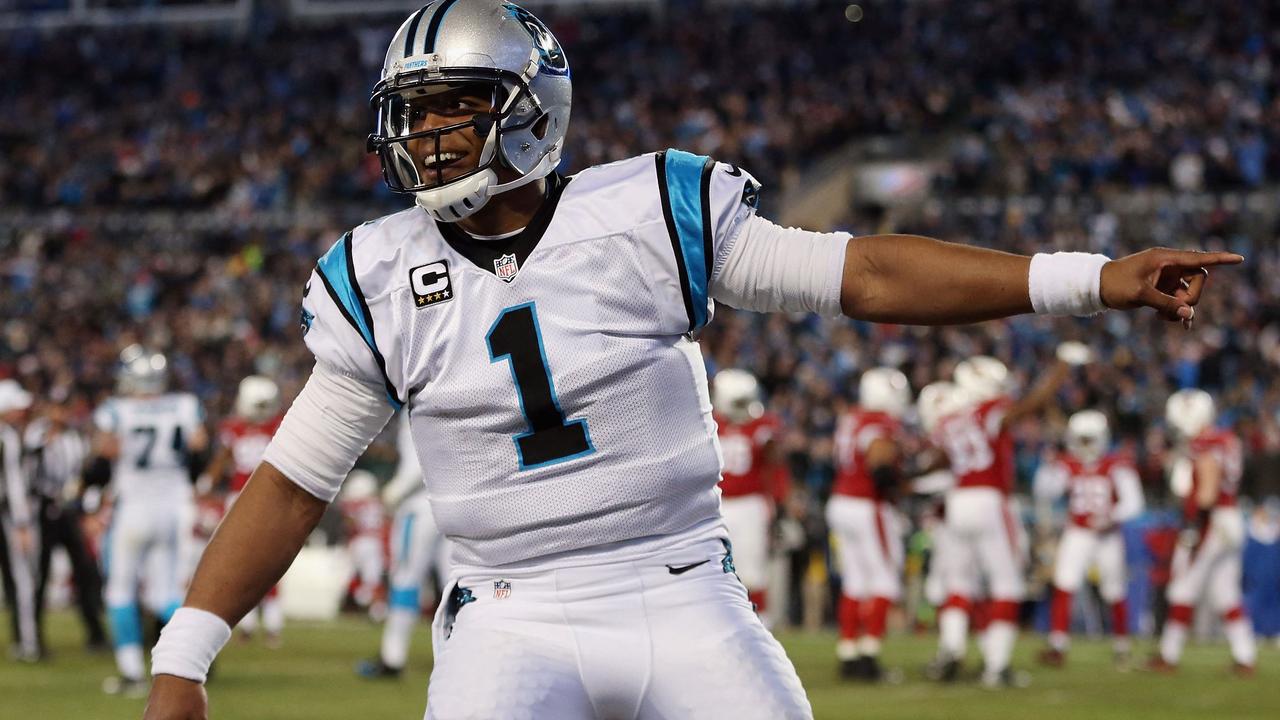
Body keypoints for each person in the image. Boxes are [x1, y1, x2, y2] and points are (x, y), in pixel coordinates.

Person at [143, 2, 1241, 718]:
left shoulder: (651, 211)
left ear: (530, 116)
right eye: (416, 116)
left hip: (680, 589)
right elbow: (294, 483)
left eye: (455, 111)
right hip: (505, 613)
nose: (427, 139)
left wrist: (1087, 277)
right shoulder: (375, 271)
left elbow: (862, 275)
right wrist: (185, 654)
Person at [927, 346, 1087, 688]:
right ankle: (996, 667)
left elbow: (939, 460)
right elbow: (1032, 404)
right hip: (989, 498)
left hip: (958, 500)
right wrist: (1061, 369)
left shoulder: (949, 419)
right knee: (1006, 582)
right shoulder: (990, 411)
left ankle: (952, 649)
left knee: (958, 582)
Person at [94, 346, 208, 696]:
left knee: (119, 589)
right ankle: (195, 657)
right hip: (174, 506)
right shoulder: (185, 405)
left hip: (135, 507)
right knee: (166, 592)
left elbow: (105, 450)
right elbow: (199, 443)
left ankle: (131, 674)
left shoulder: (116, 409)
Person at [1150, 389, 1256, 675]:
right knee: (1226, 593)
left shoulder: (1205, 442)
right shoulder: (1228, 439)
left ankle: (1168, 654)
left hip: (1212, 519)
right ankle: (1245, 656)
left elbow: (1208, 487)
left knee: (1184, 585)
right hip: (1232, 516)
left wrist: (1194, 523)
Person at [1033, 410, 1144, 668]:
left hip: (1107, 535)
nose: (1085, 446)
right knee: (1064, 581)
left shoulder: (1116, 465)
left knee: (1113, 589)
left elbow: (1134, 503)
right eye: (1081, 440)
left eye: (1088, 440)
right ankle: (1058, 644)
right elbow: (1045, 491)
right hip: (1078, 531)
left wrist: (1111, 516)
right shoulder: (1066, 465)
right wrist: (1048, 467)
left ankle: (1122, 646)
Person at [828, 367, 911, 681]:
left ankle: (848, 653)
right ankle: (869, 656)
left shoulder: (852, 417)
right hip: (866, 503)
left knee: (855, 581)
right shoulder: (879, 422)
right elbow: (879, 467)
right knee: (884, 579)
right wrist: (903, 485)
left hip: (841, 500)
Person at [358, 412, 450, 679]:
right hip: (449, 505)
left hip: (418, 507)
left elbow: (424, 463)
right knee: (453, 583)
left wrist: (393, 494)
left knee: (406, 579)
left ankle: (392, 657)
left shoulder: (419, 403)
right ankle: (459, 654)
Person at [200, 376, 285, 644]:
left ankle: (250, 623)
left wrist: (204, 484)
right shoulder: (279, 425)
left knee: (242, 563)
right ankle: (268, 623)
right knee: (267, 562)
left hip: (242, 498)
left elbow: (220, 462)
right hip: (270, 498)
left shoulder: (236, 429)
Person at [24, 398, 109, 654]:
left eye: (64, 408)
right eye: (57, 408)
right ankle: (32, 636)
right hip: (44, 510)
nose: (61, 413)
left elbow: (84, 475)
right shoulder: (36, 435)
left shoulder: (75, 439)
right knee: (39, 575)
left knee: (85, 572)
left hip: (70, 510)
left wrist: (86, 509)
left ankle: (95, 632)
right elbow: (30, 467)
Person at [711, 368, 784, 626]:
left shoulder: (757, 425)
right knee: (722, 571)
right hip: (723, 505)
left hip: (745, 504)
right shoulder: (712, 422)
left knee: (751, 571)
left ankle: (760, 625)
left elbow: (774, 460)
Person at [0, 379, 39, 662]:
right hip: (7, 515)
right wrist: (23, 522)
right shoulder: (8, 437)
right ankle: (28, 642)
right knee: (22, 579)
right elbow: (13, 484)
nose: (21, 413)